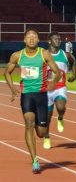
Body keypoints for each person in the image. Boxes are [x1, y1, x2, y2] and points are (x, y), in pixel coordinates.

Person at [4, 28, 61, 173]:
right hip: (27, 95)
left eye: (34, 36)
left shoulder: (44, 53)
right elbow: (7, 72)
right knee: (28, 123)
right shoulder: (17, 55)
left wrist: (53, 83)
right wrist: (12, 89)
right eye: (28, 36)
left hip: (41, 96)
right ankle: (35, 160)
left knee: (41, 132)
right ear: (24, 40)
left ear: (38, 40)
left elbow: (57, 72)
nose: (31, 38)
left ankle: (41, 126)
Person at [43, 32, 76, 149]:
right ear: (49, 41)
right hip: (46, 89)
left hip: (60, 87)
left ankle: (60, 117)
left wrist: (74, 74)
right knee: (47, 116)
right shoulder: (44, 55)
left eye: (59, 39)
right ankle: (47, 137)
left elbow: (74, 61)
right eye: (55, 39)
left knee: (61, 107)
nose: (58, 41)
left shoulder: (65, 55)